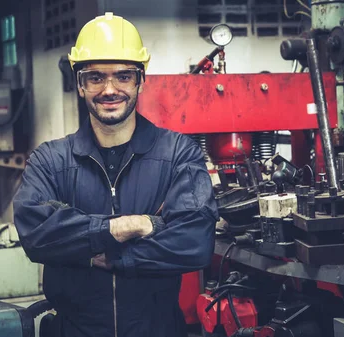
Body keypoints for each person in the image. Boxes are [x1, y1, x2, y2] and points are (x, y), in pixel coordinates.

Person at [13, 12, 219, 337]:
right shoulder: (50, 160)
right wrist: (130, 226)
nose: (110, 89)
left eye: (123, 76)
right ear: (80, 84)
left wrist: (113, 259)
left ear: (140, 80)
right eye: (95, 77)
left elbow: (194, 242)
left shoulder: (179, 153)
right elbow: (36, 234)